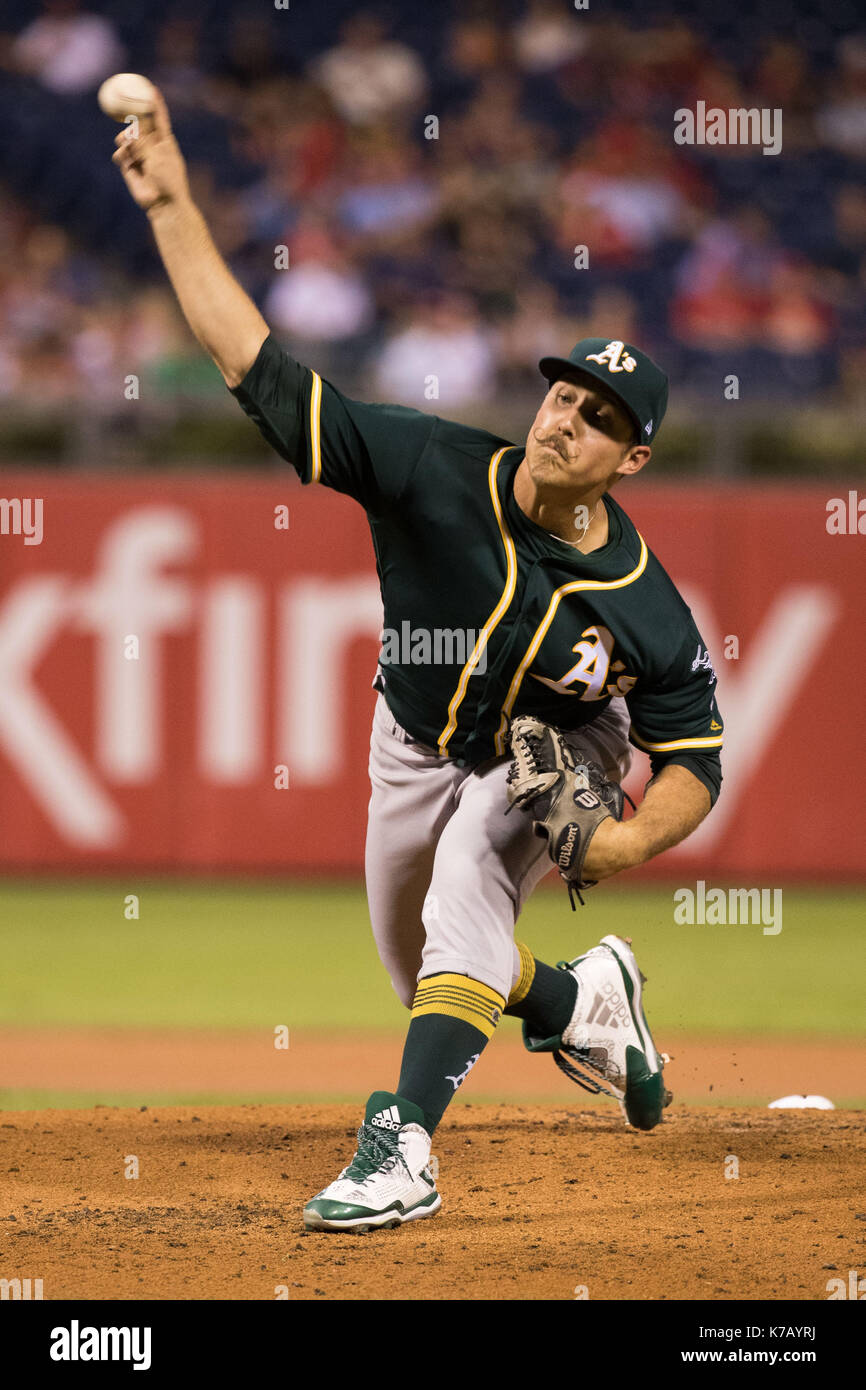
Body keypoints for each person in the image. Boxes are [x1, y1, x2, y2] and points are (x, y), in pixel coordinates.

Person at [112, 91, 723, 1233]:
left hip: (542, 750)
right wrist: (173, 207)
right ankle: (586, 995)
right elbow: (257, 367)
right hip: (412, 736)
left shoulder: (643, 606)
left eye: (596, 417)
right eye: (561, 393)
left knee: (461, 905)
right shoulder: (430, 466)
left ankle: (402, 1152)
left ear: (629, 457)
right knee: (431, 972)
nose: (562, 421)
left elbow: (693, 753)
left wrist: (629, 835)